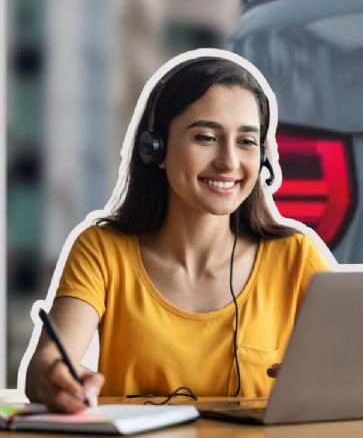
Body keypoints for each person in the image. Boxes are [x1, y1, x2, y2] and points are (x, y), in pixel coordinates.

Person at [24, 51, 333, 413]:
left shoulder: (295, 257)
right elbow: (45, 364)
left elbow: (357, 363)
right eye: (206, 137)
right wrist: (58, 378)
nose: (229, 162)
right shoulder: (101, 250)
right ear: (155, 148)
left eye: (247, 142)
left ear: (263, 158)